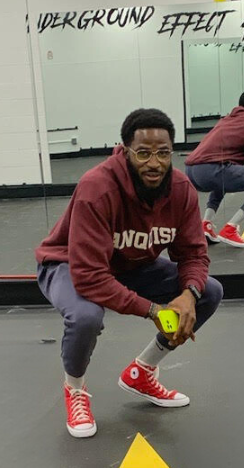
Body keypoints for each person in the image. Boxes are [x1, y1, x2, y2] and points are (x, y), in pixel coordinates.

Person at [35, 108, 223, 439]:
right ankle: (75, 388)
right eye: (144, 153)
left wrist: (188, 294)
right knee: (85, 317)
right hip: (69, 263)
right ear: (125, 151)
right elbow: (90, 276)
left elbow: (194, 253)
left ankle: (142, 371)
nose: (155, 163)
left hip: (132, 265)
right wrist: (153, 311)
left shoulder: (180, 189)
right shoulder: (97, 187)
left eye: (163, 153)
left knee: (209, 291)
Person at [183, 89, 244, 249]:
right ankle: (231, 229)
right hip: (211, 170)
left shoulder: (226, 120)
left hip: (191, 170)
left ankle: (206, 224)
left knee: (223, 178)